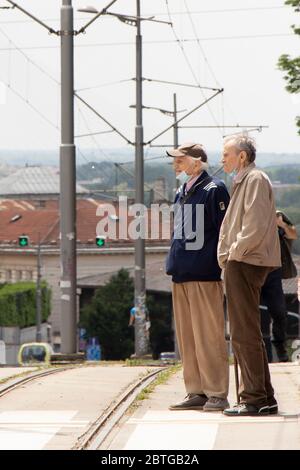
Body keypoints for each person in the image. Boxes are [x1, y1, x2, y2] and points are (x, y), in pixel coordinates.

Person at [218, 135, 281, 417]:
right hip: (244, 260)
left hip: (245, 261)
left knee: (244, 332)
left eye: (226, 154)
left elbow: (253, 226)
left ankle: (254, 398)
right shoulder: (247, 180)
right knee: (247, 331)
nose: (222, 160)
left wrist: (233, 252)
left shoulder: (254, 180)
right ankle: (263, 397)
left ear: (241, 156)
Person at [166, 142, 230, 412]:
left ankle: (216, 392)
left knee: (208, 336)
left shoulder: (214, 190)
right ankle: (196, 390)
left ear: (196, 162)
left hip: (204, 274)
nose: (175, 165)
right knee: (188, 337)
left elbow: (224, 230)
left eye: (180, 160)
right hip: (181, 272)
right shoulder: (182, 191)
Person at [261, 211, 298, 362]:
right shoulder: (249, 215)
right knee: (257, 315)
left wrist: (281, 224)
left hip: (274, 271)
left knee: (279, 311)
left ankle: (279, 345)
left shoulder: (278, 215)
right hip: (255, 271)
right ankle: (263, 352)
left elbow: (293, 234)